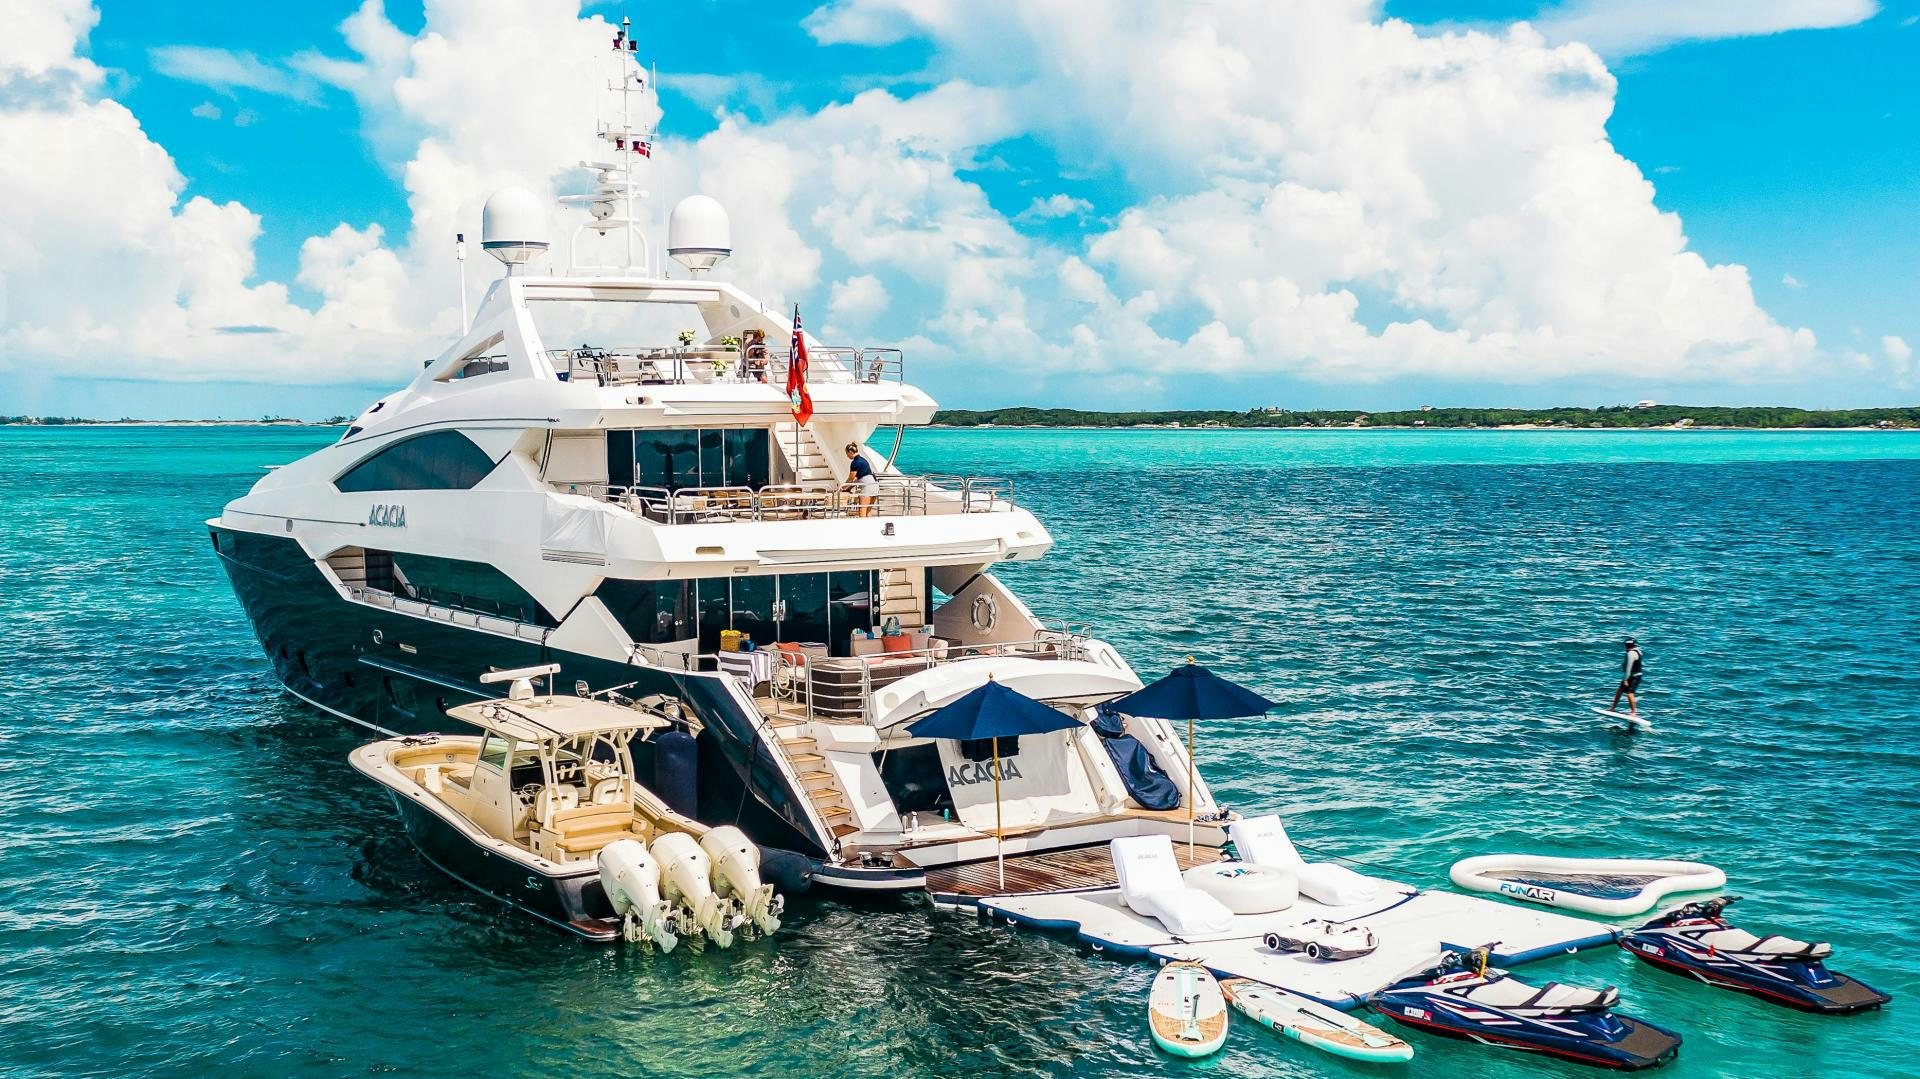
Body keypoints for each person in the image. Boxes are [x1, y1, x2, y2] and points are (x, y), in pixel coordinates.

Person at [1609, 637, 1644, 715]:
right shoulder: (1638, 651)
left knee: (1630, 693)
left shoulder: (1631, 654)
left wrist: (1625, 680)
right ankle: (1612, 708)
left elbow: (1629, 668)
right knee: (1619, 691)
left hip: (1634, 677)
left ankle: (1633, 712)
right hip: (1631, 676)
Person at [845, 443, 878, 517]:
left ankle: (863, 528)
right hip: (875, 485)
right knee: (868, 511)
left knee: (862, 511)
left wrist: (843, 486)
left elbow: (851, 478)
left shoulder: (855, 463)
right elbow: (858, 479)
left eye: (847, 453)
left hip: (867, 487)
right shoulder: (863, 460)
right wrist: (849, 488)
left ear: (850, 452)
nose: (847, 456)